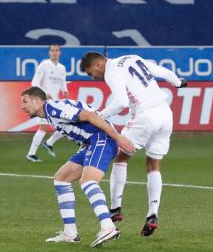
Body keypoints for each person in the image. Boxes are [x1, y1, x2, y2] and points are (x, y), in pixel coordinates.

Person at [80, 52, 187, 236]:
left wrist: (98, 116)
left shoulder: (111, 70)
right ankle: (152, 214)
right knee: (153, 165)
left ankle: (115, 208)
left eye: (91, 73)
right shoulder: (132, 57)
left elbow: (121, 102)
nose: (93, 77)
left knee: (121, 158)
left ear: (98, 65)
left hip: (144, 116)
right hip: (165, 114)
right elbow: (161, 71)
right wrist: (178, 82)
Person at [20, 86, 136, 247]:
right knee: (61, 178)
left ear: (37, 100)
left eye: (25, 101)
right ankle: (70, 233)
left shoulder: (53, 108)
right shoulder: (50, 113)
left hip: (102, 139)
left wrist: (117, 137)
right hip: (91, 143)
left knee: (88, 182)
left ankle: (108, 227)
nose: (22, 106)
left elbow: (89, 115)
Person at [26, 44, 69, 162]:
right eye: (52, 50)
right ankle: (31, 154)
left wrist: (65, 92)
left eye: (56, 50)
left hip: (55, 102)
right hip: (42, 101)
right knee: (44, 127)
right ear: (49, 53)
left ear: (59, 52)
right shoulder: (44, 65)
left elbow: (63, 82)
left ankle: (49, 143)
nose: (54, 52)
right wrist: (44, 93)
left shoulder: (62, 68)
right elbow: (34, 82)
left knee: (66, 125)